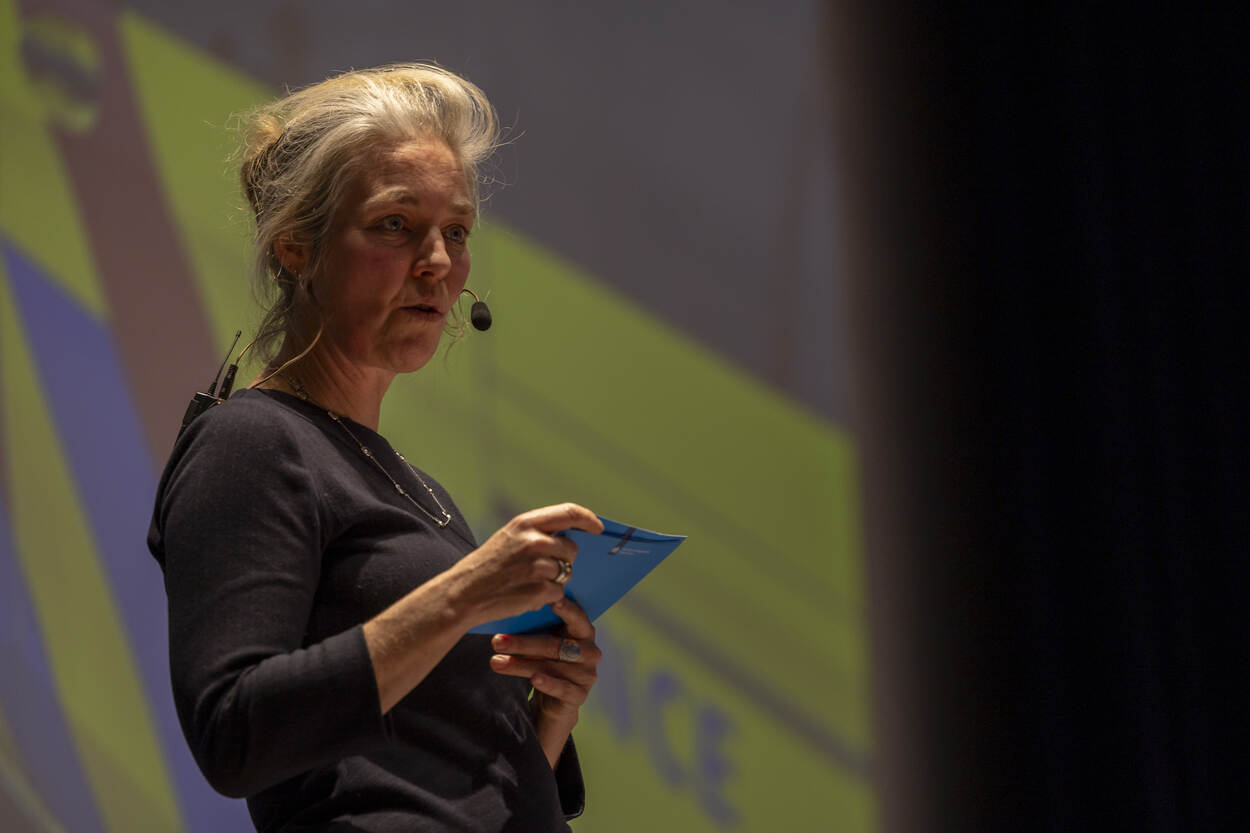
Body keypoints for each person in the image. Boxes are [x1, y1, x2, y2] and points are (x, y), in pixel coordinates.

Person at [147, 63, 604, 832]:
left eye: (456, 232)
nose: (438, 262)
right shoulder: (250, 442)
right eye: (396, 224)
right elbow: (233, 732)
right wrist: (461, 596)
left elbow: (434, 774)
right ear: (295, 245)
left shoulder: (419, 490)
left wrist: (547, 714)